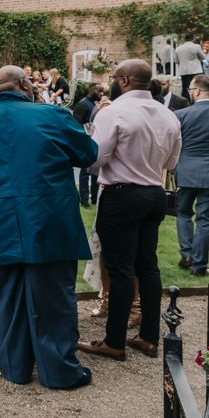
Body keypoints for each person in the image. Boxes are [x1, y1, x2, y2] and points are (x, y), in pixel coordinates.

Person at [0, 66, 97, 389]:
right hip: (49, 219)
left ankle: (15, 366)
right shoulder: (52, 115)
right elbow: (88, 153)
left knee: (9, 299)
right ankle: (58, 369)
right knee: (54, 297)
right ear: (26, 84)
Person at [78, 59, 181, 362]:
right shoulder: (168, 115)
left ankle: (114, 341)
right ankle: (149, 337)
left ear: (123, 81)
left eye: (112, 77)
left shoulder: (115, 112)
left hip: (121, 194)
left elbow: (95, 159)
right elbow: (172, 163)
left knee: (121, 268)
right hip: (154, 193)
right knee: (147, 265)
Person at [174, 75, 209, 275]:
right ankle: (199, 264)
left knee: (184, 213)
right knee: (205, 219)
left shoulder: (181, 115)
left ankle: (187, 254)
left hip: (186, 170)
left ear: (196, 91)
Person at [72, 82, 104, 207]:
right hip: (85, 140)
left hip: (95, 140)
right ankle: (84, 200)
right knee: (85, 172)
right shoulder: (83, 104)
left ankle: (95, 199)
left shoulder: (94, 103)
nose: (102, 94)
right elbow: (75, 124)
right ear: (92, 90)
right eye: (99, 91)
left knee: (96, 171)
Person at [175, 33, 206, 99]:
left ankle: (185, 103)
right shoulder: (196, 46)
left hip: (183, 72)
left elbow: (176, 61)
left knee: (185, 89)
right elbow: (203, 57)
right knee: (197, 87)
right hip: (195, 71)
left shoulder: (178, 49)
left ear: (184, 39)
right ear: (193, 38)